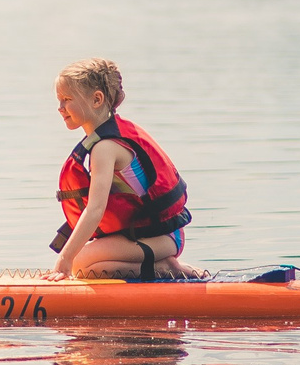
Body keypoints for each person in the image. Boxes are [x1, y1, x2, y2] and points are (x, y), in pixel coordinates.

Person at [50, 57, 193, 281]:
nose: (60, 108)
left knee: (79, 264)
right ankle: (158, 265)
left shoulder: (105, 147)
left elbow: (95, 210)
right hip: (150, 235)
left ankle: (166, 268)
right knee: (84, 264)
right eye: (59, 100)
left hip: (163, 237)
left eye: (67, 99)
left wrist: (65, 259)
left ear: (97, 99)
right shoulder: (109, 136)